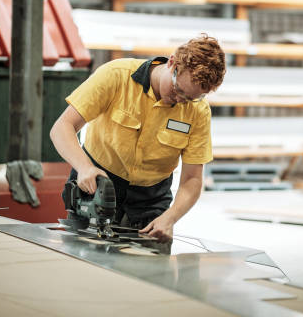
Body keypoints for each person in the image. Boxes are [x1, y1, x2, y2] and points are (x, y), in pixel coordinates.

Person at [50, 34, 225, 243]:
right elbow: (62, 127)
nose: (180, 100)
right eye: (178, 90)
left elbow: (192, 179)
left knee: (143, 274)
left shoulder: (198, 111)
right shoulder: (116, 76)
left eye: (190, 98)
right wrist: (84, 167)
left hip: (150, 203)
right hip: (97, 189)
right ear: (172, 63)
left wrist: (169, 218)